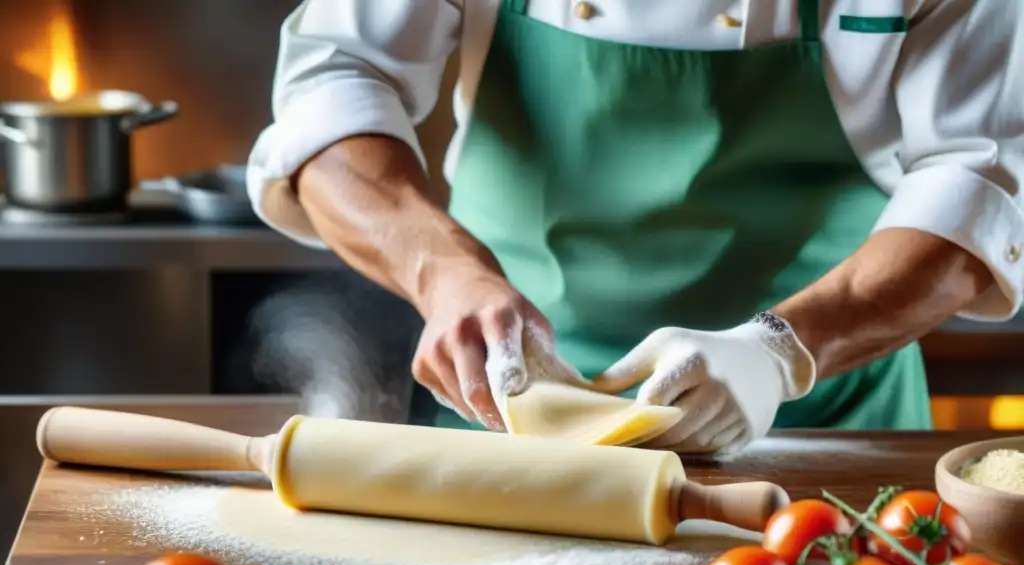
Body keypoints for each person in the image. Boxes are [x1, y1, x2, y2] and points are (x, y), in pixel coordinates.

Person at [247, 0, 1024, 454]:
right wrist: (443, 274)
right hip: (505, 416)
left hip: (821, 423)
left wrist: (780, 353)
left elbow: (982, 173)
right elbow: (334, 81)